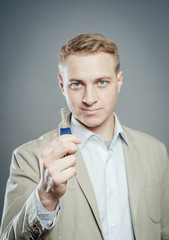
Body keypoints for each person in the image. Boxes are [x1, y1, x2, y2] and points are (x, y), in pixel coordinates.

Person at [0, 33, 169, 240]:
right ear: (62, 85)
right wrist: (45, 198)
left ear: (119, 81)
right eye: (77, 84)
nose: (89, 99)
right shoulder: (27, 157)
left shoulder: (156, 151)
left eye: (101, 82)